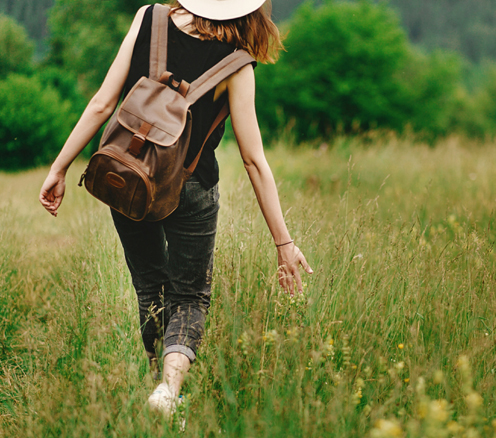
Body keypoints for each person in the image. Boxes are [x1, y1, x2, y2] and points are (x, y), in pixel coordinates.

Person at [38, 0, 312, 415]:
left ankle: (161, 391)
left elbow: (101, 103)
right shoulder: (237, 61)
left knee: (150, 287)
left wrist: (59, 168)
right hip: (192, 187)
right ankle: (169, 392)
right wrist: (283, 242)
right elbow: (253, 159)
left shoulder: (149, 17)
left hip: (127, 176)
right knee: (189, 297)